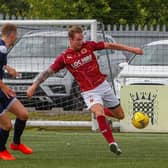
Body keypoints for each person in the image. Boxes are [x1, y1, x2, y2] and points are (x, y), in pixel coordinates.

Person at [27, 25, 143, 155]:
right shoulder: (64, 57)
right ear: (70, 39)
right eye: (78, 39)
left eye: (82, 39)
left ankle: (98, 111)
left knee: (120, 116)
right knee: (99, 114)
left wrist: (132, 49)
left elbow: (109, 46)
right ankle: (112, 143)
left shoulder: (89, 46)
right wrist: (34, 85)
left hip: (103, 85)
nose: (81, 42)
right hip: (89, 91)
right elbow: (48, 72)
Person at [0, 23, 33, 160]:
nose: (16, 37)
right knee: (7, 124)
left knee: (23, 114)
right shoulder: (1, 48)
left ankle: (16, 144)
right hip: (1, 88)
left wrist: (7, 68)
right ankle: (1, 150)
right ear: (12, 34)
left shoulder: (2, 47)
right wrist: (4, 87)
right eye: (16, 34)